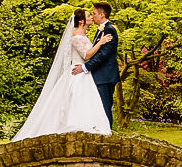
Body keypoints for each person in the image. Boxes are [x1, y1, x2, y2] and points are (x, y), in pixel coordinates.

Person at [12, 8, 112, 140]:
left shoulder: (82, 36)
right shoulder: (76, 37)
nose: (91, 18)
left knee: (84, 101)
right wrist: (101, 43)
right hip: (78, 73)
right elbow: (86, 55)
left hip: (83, 72)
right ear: (81, 21)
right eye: (88, 16)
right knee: (77, 100)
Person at [71, 1, 119, 128]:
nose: (93, 16)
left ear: (102, 15)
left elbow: (103, 55)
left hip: (105, 76)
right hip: (98, 75)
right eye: (90, 14)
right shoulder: (101, 30)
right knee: (99, 107)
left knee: (104, 107)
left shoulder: (109, 30)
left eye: (94, 13)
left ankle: (107, 133)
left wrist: (84, 67)